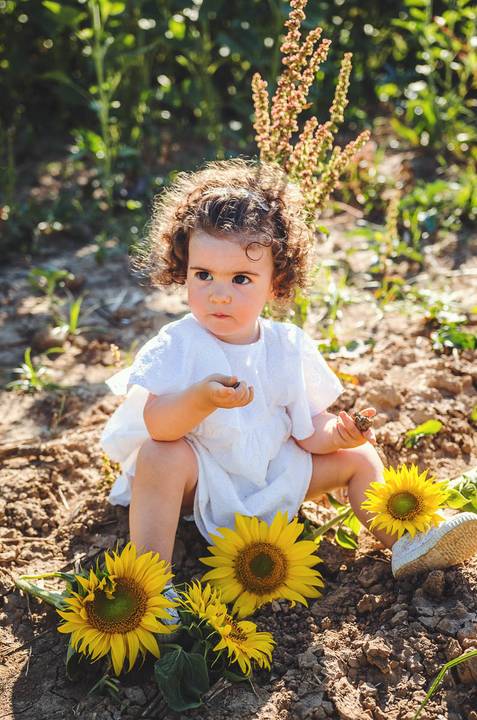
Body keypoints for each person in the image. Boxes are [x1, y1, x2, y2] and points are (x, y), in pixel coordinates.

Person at [101, 158, 477, 624]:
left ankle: (408, 540)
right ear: (184, 270)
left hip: (269, 476)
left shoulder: (287, 347)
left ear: (276, 282)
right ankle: (152, 587)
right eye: (204, 276)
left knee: (361, 459)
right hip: (202, 480)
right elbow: (158, 426)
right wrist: (200, 399)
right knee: (160, 458)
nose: (219, 294)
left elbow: (305, 431)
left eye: (240, 279)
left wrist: (335, 436)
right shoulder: (181, 343)